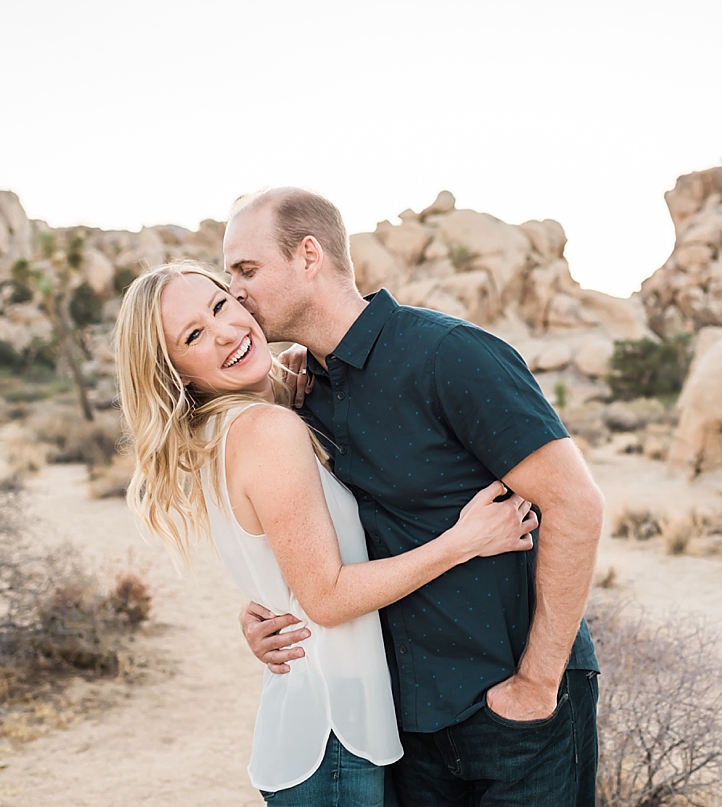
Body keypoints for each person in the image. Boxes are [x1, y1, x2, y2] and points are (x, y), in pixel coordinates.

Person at [227, 188, 605, 806]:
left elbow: (577, 505)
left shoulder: (448, 354)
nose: (235, 292)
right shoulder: (302, 395)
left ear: (309, 255)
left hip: (514, 699)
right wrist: (265, 610)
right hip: (406, 722)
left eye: (247, 269)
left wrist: (537, 685)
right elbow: (324, 544)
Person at [114, 262, 540, 806]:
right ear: (174, 371)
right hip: (332, 739)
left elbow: (286, 575)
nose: (224, 331)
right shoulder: (268, 431)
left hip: (319, 730)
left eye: (221, 305)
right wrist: (464, 541)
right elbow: (327, 597)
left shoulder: (223, 433)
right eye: (193, 336)